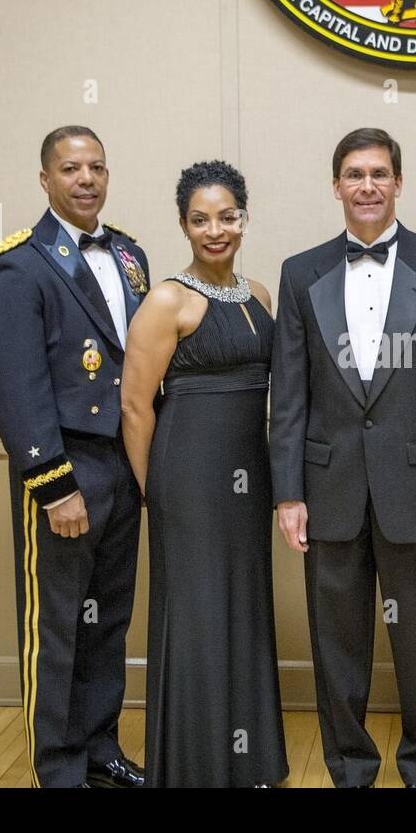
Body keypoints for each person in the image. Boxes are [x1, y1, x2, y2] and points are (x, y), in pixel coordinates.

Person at [270, 128, 416, 788]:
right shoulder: (299, 272)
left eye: (380, 173)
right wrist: (286, 493)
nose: (368, 185)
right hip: (327, 487)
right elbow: (290, 392)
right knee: (337, 648)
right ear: (336, 185)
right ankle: (349, 768)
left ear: (398, 182)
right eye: (355, 174)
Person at [0, 125, 147, 788]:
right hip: (65, 467)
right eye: (71, 168)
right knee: (55, 627)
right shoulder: (18, 264)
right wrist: (53, 485)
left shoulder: (130, 254)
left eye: (97, 167)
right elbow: (14, 384)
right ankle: (58, 768)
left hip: (122, 466)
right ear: (45, 179)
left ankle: (101, 748)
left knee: (109, 618)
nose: (86, 179)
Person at [119, 160, 288, 788]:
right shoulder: (166, 299)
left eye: (226, 216)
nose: (215, 230)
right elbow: (136, 405)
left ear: (243, 218)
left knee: (242, 604)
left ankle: (248, 762)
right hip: (185, 477)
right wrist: (154, 491)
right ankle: (195, 766)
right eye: (200, 219)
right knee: (195, 610)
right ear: (184, 225)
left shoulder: (262, 296)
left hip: (250, 476)